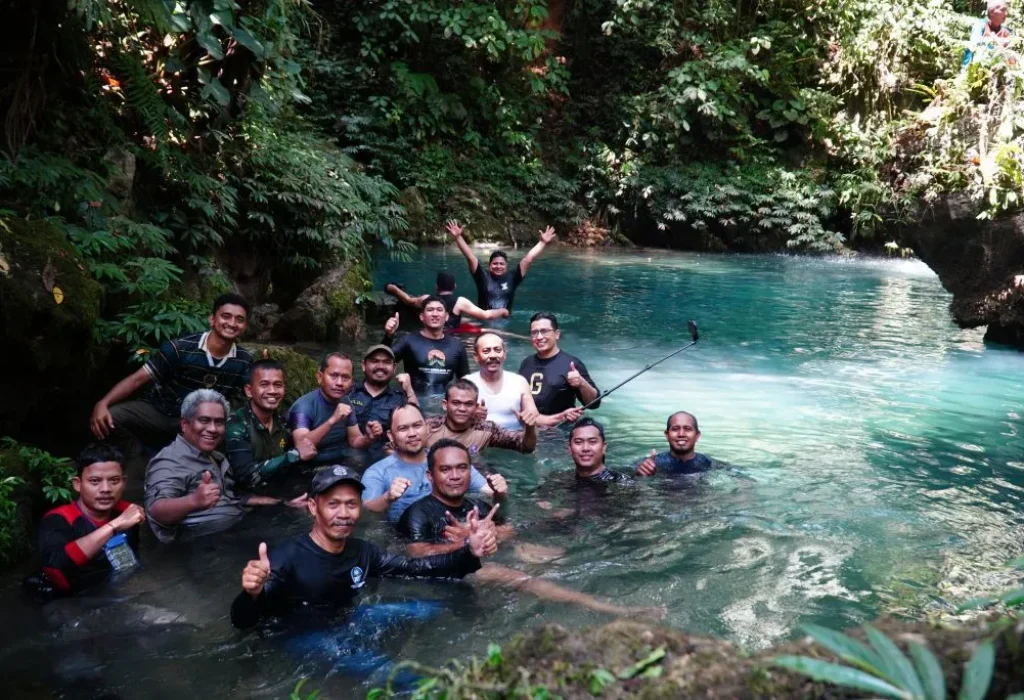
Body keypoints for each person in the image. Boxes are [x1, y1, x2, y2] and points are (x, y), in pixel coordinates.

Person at [397, 439, 662, 618]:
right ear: (430, 475)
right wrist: (466, 544)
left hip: (480, 560)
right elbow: (415, 555)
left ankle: (585, 592)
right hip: (447, 574)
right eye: (445, 470)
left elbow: (509, 531)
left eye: (461, 468)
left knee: (558, 556)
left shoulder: (477, 505)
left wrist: (491, 534)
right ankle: (614, 611)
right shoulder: (418, 513)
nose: (455, 476)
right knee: (522, 579)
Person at [230, 465, 496, 629]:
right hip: (300, 633)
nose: (344, 514)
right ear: (312, 507)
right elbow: (242, 622)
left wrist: (468, 551)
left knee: (433, 608)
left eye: (351, 504)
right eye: (333, 504)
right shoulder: (284, 558)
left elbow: (418, 568)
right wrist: (251, 593)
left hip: (347, 618)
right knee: (391, 674)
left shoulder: (363, 552)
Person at [89, 293, 253, 450]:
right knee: (113, 417)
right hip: (162, 413)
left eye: (239, 319)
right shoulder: (180, 348)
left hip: (201, 425)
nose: (232, 323)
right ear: (212, 319)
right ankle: (136, 457)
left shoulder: (244, 361)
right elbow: (137, 379)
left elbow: (247, 400)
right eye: (226, 316)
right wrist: (103, 403)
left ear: (245, 326)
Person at [145, 389, 305, 543]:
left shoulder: (216, 456)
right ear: (185, 424)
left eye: (219, 422)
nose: (212, 429)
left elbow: (233, 497)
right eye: (204, 420)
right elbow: (156, 510)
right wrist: (194, 500)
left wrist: (283, 504)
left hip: (235, 531)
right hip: (202, 545)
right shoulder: (170, 461)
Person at [33, 444, 146, 596]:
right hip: (66, 599)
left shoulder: (128, 514)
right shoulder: (58, 519)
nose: (106, 489)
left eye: (114, 480)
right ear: (78, 484)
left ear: (124, 482)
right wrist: (114, 526)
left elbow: (131, 563)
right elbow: (56, 567)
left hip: (110, 590)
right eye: (95, 481)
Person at [361, 404, 507, 522]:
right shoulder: (378, 472)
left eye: (417, 425)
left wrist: (499, 492)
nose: (412, 433)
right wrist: (387, 497)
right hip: (408, 536)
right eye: (403, 428)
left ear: (427, 428)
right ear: (390, 436)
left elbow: (488, 492)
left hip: (454, 525)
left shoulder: (450, 459)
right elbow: (366, 510)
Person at [225, 359, 316, 490]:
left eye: (278, 385)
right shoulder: (236, 424)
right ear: (249, 390)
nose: (272, 391)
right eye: (264, 384)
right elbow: (245, 475)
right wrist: (294, 455)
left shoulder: (283, 424)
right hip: (238, 496)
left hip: (276, 491)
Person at [446, 220, 556, 311]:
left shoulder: (513, 277)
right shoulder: (482, 276)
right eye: (495, 263)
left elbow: (528, 259)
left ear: (506, 266)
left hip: (504, 322)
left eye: (501, 264)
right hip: (484, 321)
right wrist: (458, 237)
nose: (498, 266)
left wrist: (542, 242)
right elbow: (470, 257)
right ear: (489, 265)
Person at [287, 352, 372, 466]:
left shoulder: (345, 401)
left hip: (340, 460)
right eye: (334, 375)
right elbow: (301, 446)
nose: (339, 383)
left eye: (345, 377)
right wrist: (332, 420)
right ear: (319, 377)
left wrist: (369, 437)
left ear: (352, 381)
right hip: (312, 465)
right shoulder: (303, 406)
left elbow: (354, 440)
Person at [518, 312, 600, 425]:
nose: (539, 337)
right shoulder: (526, 363)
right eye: (534, 333)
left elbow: (594, 404)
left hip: (559, 429)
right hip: (529, 427)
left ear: (557, 334)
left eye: (544, 331)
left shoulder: (571, 364)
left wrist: (582, 383)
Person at [383, 296, 470, 395]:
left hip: (444, 399)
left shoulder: (457, 345)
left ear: (446, 317)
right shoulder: (409, 340)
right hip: (414, 398)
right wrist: (388, 336)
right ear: (422, 317)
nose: (435, 314)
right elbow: (381, 362)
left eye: (439, 310)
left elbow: (466, 382)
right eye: (430, 310)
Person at [425, 379, 536, 456]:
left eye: (468, 404)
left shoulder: (487, 429)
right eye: (456, 403)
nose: (462, 409)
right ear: (445, 405)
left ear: (476, 406)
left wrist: (530, 428)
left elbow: (526, 448)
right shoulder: (428, 427)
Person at [343, 345, 418, 452]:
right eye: (374, 361)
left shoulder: (400, 398)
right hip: (347, 454)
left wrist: (409, 390)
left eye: (387, 362)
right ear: (363, 365)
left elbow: (417, 426)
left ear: (394, 368)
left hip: (384, 455)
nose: (381, 366)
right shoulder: (348, 391)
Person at [385, 271, 509, 334]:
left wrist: (393, 289)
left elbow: (408, 300)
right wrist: (503, 311)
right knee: (484, 330)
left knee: (465, 321)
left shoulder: (426, 299)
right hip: (452, 334)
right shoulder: (460, 302)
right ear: (454, 286)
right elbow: (486, 315)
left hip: (431, 332)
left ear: (436, 287)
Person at [466, 333, 540, 430]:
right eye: (486, 351)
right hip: (478, 437)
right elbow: (453, 423)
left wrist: (528, 420)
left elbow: (533, 417)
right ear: (476, 356)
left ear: (504, 354)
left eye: (497, 350)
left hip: (514, 436)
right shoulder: (467, 384)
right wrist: (470, 416)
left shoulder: (519, 382)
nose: (493, 355)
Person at [635, 411, 718, 476]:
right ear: (667, 435)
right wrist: (639, 475)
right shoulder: (648, 465)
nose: (681, 434)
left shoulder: (710, 464)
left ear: (697, 435)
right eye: (675, 429)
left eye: (687, 429)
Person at [568, 417, 634, 484]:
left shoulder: (622, 482)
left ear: (604, 447)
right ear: (570, 448)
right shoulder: (565, 478)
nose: (585, 448)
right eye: (578, 442)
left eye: (592, 442)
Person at [963, 0, 1012, 66]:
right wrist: (994, 41)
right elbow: (974, 42)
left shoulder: (1005, 32)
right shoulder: (980, 25)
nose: (1005, 14)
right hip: (973, 67)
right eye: (1002, 10)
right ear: (992, 11)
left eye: (1006, 11)